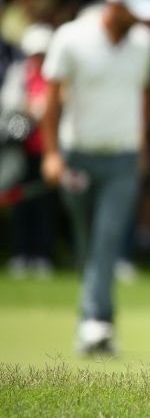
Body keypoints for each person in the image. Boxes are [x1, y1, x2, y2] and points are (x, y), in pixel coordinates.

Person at [39, 0, 150, 355]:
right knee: (87, 241)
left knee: (107, 239)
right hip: (78, 154)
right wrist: (51, 154)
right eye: (134, 10)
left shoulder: (144, 42)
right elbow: (52, 101)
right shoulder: (71, 38)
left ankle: (92, 323)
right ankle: (101, 323)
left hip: (123, 157)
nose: (141, 19)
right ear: (114, 4)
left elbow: (143, 94)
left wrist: (142, 146)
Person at [1, 24, 56, 279]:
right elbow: (10, 106)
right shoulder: (19, 73)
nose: (38, 58)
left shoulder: (58, 74)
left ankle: (42, 256)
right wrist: (30, 108)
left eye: (42, 53)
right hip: (21, 149)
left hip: (49, 151)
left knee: (45, 204)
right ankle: (22, 255)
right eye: (35, 53)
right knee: (21, 203)